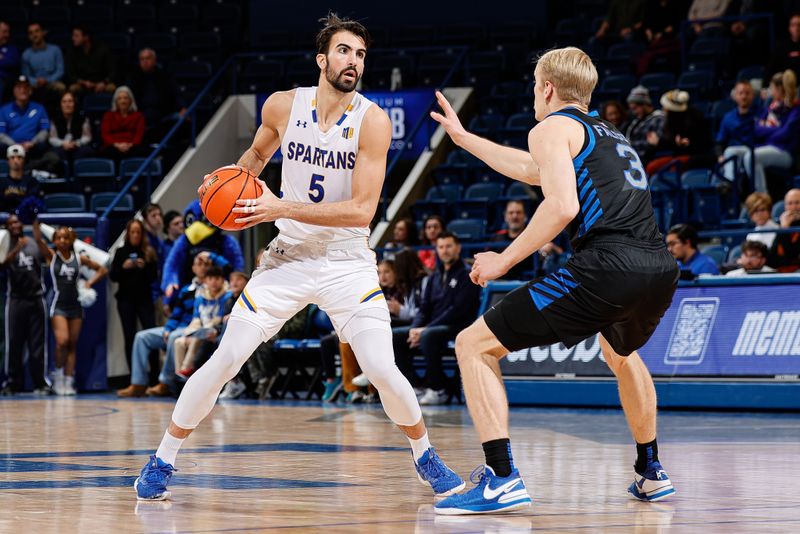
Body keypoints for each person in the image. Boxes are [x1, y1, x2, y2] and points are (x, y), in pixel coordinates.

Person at [134, 13, 463, 502]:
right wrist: (229, 186)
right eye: (346, 51)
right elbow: (254, 160)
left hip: (346, 260)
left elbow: (361, 212)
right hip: (287, 256)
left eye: (361, 54)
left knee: (380, 366)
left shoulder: (371, 121)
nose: (354, 61)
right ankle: (162, 460)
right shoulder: (283, 106)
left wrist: (277, 206)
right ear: (322, 59)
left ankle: (425, 456)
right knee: (225, 358)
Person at [430, 46, 679, 514]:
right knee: (621, 352)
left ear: (547, 89)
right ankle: (651, 470)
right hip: (659, 268)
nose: (532, 98)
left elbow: (562, 205)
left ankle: (501, 478)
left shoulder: (549, 127)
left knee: (472, 345)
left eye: (533, 88)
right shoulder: (609, 135)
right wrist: (464, 139)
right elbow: (530, 170)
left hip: (608, 266)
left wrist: (503, 260)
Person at [392, 232, 481, 405]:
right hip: (432, 326)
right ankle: (416, 386)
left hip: (459, 326)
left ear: (458, 248)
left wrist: (424, 329)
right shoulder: (434, 277)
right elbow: (424, 308)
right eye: (441, 247)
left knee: (428, 336)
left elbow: (457, 310)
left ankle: (438, 389)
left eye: (449, 246)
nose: (444, 251)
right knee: (396, 336)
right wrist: (414, 328)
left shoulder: (467, 275)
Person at [47, 226, 107, 395]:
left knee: (72, 345)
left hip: (76, 307)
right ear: (54, 240)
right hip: (59, 305)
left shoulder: (79, 259)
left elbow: (102, 269)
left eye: (66, 238)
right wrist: (35, 221)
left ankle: (68, 381)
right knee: (62, 342)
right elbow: (38, 239)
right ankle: (57, 377)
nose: (62, 241)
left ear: (71, 240)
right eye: (59, 238)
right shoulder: (52, 256)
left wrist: (89, 283)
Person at [723, 71, 800, 193]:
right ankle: (732, 188)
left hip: (784, 152)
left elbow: (786, 134)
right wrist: (776, 130)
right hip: (764, 147)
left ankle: (761, 196)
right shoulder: (771, 107)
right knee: (731, 152)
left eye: (771, 87)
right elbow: (756, 129)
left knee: (751, 157)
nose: (770, 91)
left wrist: (767, 131)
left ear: (779, 89)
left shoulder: (795, 109)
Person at [0, 216, 51, 395]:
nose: (15, 225)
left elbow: (48, 260)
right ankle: (13, 382)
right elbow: (2, 265)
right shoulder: (4, 245)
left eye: (17, 222)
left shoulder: (33, 243)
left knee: (37, 344)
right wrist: (16, 250)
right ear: (6, 227)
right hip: (16, 300)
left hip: (36, 298)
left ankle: (40, 382)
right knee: (14, 343)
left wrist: (38, 240)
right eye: (11, 223)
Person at [109, 219, 158, 380]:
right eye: (133, 232)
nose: (135, 235)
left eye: (138, 232)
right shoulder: (120, 252)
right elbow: (113, 276)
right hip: (126, 300)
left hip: (144, 300)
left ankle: (155, 376)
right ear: (128, 234)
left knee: (150, 335)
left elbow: (154, 277)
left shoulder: (149, 251)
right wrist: (124, 267)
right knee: (129, 337)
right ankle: (134, 379)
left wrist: (144, 267)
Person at [173, 266, 231, 378]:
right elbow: (196, 318)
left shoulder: (226, 296)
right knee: (179, 342)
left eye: (217, 278)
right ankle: (178, 375)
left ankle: (186, 370)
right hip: (199, 331)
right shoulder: (200, 297)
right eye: (210, 279)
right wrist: (190, 332)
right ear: (205, 280)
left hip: (214, 333)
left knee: (196, 339)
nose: (213, 282)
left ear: (222, 280)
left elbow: (220, 319)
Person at [645, 90, 713, 175]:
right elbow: (671, 142)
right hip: (678, 156)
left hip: (696, 156)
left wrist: (688, 144)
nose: (663, 109)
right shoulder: (671, 121)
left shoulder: (695, 118)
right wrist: (658, 142)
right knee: (651, 167)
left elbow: (704, 144)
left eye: (665, 107)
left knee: (674, 168)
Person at [0, 75, 59, 173]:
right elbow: (1, 134)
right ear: (14, 91)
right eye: (19, 87)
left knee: (53, 157)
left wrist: (32, 143)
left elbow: (44, 131)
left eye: (26, 87)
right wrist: (15, 145)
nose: (23, 90)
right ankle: (26, 170)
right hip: (10, 150)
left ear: (30, 90)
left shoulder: (39, 108)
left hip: (33, 149)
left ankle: (26, 169)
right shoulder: (4, 110)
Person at [126, 48, 186, 142]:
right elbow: (127, 98)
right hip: (141, 115)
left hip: (164, 114)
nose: (145, 62)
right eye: (142, 59)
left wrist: (182, 107)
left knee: (182, 118)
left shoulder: (164, 76)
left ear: (154, 60)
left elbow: (176, 93)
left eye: (148, 58)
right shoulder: (133, 78)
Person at [717, 80, 758, 172]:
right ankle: (729, 184)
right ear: (735, 96)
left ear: (753, 95)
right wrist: (720, 156)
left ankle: (729, 185)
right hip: (735, 153)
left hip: (757, 151)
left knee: (731, 152)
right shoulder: (728, 117)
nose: (744, 97)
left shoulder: (762, 113)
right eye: (740, 93)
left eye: (747, 93)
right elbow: (720, 142)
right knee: (729, 154)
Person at [65, 25, 115, 97]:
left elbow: (112, 72)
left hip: (102, 82)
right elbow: (70, 73)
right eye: (73, 36)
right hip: (82, 84)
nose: (73, 38)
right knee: (73, 88)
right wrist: (82, 82)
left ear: (86, 37)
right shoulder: (72, 51)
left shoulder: (103, 50)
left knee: (111, 87)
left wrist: (103, 83)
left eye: (76, 36)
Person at [99, 85, 147, 162]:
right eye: (120, 98)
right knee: (107, 152)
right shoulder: (108, 115)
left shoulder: (138, 116)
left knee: (140, 152)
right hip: (113, 146)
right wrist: (117, 145)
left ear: (131, 100)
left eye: (125, 98)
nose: (123, 101)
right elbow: (105, 135)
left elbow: (139, 135)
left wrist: (130, 145)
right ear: (116, 101)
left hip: (132, 146)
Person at [489, 199, 531, 280]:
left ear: (525, 216)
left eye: (518, 212)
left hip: (524, 282)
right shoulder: (496, 238)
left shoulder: (532, 236)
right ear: (505, 216)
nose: (515, 216)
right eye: (511, 213)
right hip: (497, 283)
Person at [623, 85, 665, 164]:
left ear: (644, 104)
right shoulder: (636, 120)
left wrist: (628, 146)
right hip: (631, 157)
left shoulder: (658, 119)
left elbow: (652, 145)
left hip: (644, 159)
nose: (634, 112)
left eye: (635, 108)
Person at [49, 91, 94, 164]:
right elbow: (52, 138)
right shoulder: (55, 119)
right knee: (55, 153)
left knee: (87, 151)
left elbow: (87, 137)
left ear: (74, 103)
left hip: (78, 146)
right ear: (60, 104)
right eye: (64, 102)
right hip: (61, 146)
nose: (67, 105)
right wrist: (63, 143)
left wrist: (76, 143)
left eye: (70, 101)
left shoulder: (82, 118)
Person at [0, 144, 41, 213]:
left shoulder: (32, 182)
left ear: (24, 160)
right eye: (12, 157)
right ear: (8, 161)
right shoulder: (1, 182)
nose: (15, 161)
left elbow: (32, 204)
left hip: (26, 220)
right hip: (5, 219)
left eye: (19, 157)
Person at [769, 188, 800, 272]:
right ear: (785, 206)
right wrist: (783, 229)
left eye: (797, 203)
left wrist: (784, 230)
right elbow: (772, 258)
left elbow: (792, 256)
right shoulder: (783, 225)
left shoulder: (784, 227)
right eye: (790, 203)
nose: (793, 207)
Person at [0, 20, 21, 99]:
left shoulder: (12, 48)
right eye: (4, 32)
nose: (7, 35)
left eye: (8, 32)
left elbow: (13, 62)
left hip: (5, 80)